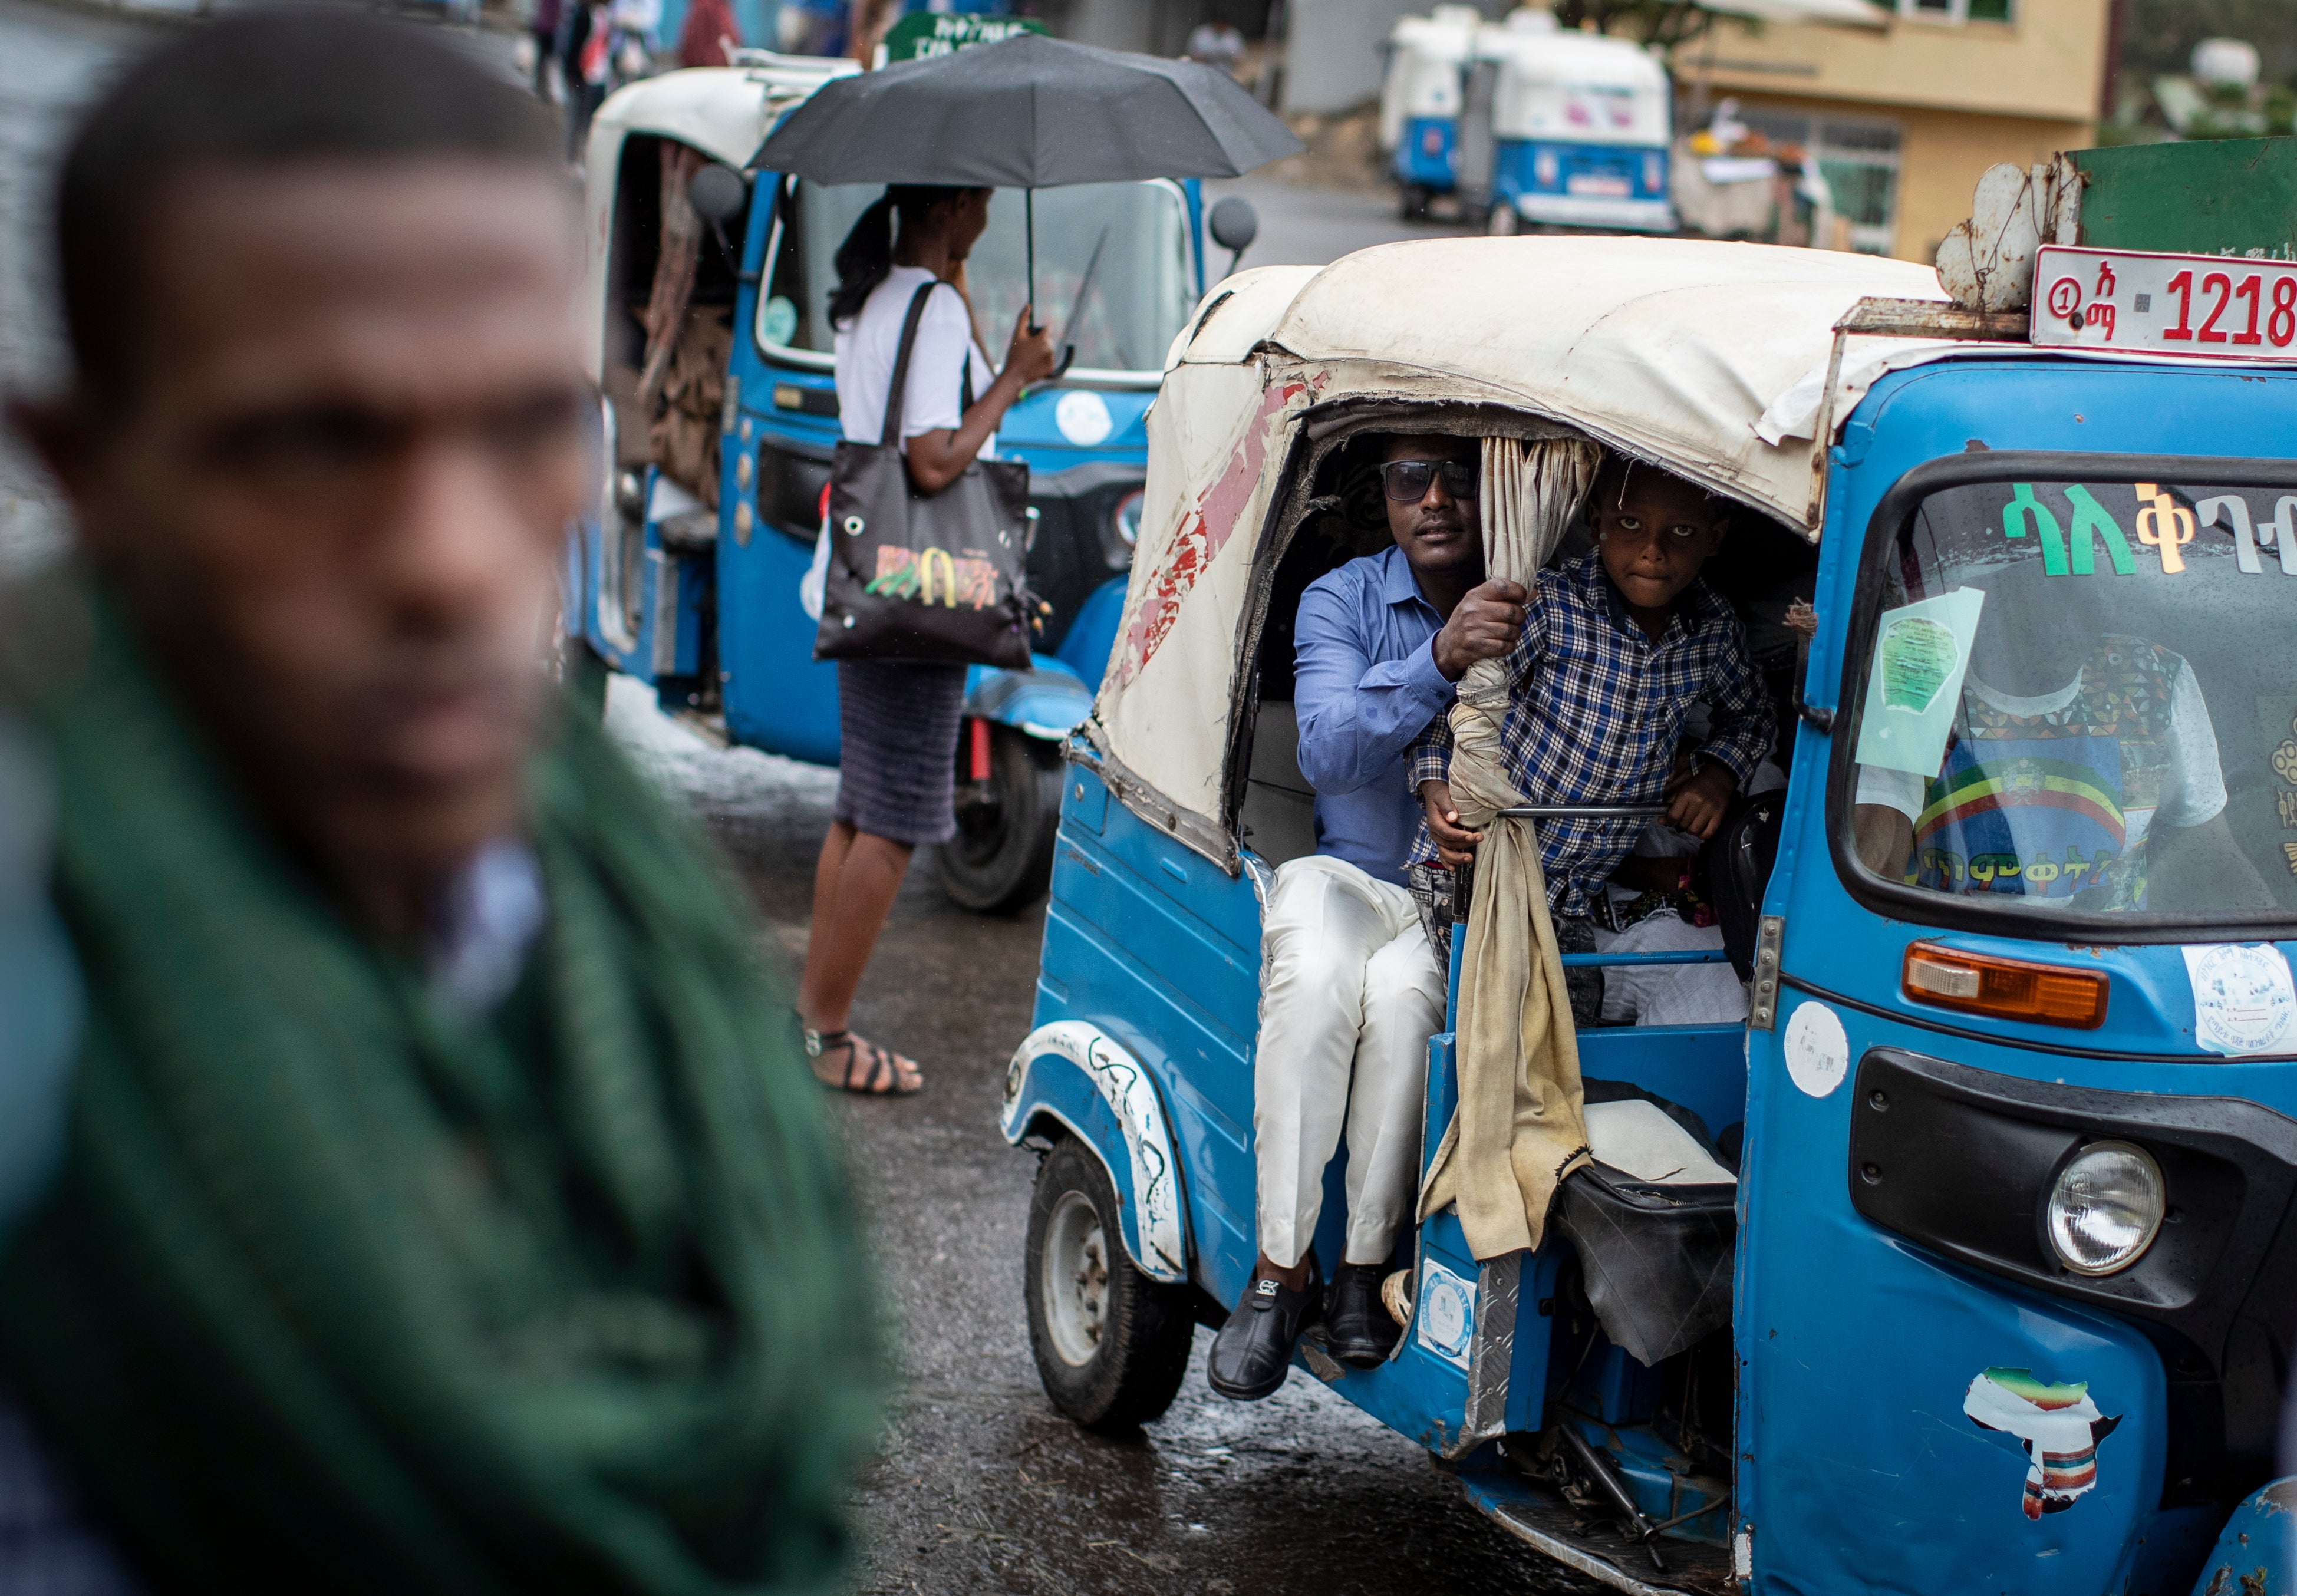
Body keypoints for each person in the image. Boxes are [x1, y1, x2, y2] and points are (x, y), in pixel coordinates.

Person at [0, 15, 877, 1591]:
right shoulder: (38, 1033)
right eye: (311, 442)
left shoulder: (614, 918)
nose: (450, 560)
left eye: (525, 424)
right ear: (87, 467)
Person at [1208, 432, 1527, 1401]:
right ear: (1383, 495)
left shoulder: (1532, 601)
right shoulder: (1340, 599)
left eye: (1456, 476)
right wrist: (1438, 656)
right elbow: (1326, 754)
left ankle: (1361, 1266)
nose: (1434, 499)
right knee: (1311, 978)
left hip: (1453, 899)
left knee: (1403, 1007)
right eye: (1409, 478)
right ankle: (1279, 1269)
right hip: (1349, 875)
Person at [795, 186, 1057, 1096]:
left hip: (868, 574)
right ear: (950, 202)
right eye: (980, 195)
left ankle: (811, 1024)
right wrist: (1015, 376)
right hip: (924, 589)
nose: (989, 209)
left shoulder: (877, 295)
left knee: (859, 809)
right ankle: (828, 1037)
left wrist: (991, 341)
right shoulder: (932, 306)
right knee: (897, 817)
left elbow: (924, 419)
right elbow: (933, 457)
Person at [1412, 455, 1775, 1023]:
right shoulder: (1549, 604)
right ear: (1596, 522)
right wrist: (1434, 786)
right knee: (1504, 1033)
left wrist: (1717, 774)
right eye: (1630, 525)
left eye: (1681, 532)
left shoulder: (1712, 630)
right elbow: (1452, 710)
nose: (1653, 551)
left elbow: (1752, 715)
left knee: (1567, 1036)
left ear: (1714, 539)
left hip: (1571, 898)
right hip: (1478, 873)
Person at [1851, 558, 2259, 911]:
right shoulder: (1922, 667)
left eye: (2083, 595)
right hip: (1955, 954)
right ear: (1987, 591)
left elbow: (2209, 854)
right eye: (2040, 593)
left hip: (2113, 954)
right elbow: (1875, 862)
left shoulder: (2153, 680)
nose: (2067, 621)